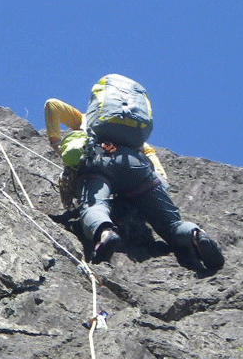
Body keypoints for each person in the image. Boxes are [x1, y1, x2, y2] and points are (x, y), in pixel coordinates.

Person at [44, 98, 224, 272]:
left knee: (95, 205)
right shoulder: (131, 134)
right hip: (136, 166)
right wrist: (160, 180)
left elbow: (52, 105)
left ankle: (105, 233)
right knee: (172, 226)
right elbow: (151, 155)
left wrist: (55, 142)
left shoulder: (85, 118)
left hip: (99, 161)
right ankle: (196, 235)